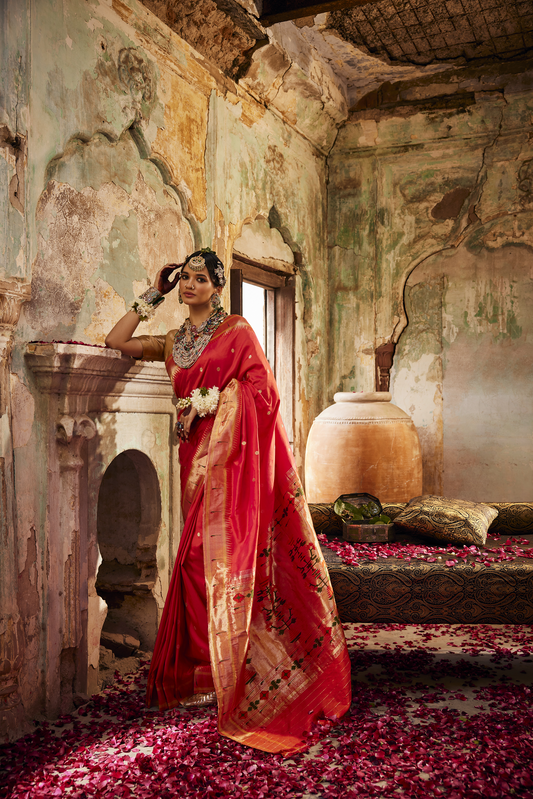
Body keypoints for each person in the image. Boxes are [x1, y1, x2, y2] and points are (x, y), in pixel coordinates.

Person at [105, 248, 351, 754]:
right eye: (185, 278)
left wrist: (211, 403)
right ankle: (203, 672)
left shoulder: (236, 331)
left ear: (218, 286)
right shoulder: (175, 341)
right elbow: (117, 341)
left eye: (200, 278)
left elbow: (262, 391)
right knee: (196, 567)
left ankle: (236, 668)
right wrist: (154, 292)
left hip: (231, 464)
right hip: (193, 467)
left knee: (226, 563)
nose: (190, 284)